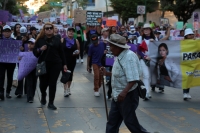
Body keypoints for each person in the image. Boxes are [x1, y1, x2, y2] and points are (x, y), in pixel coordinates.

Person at [101, 34, 149, 133]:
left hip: (127, 96)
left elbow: (133, 78)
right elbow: (121, 74)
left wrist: (124, 92)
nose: (110, 48)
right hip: (117, 95)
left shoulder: (129, 57)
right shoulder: (119, 56)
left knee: (130, 122)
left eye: (111, 46)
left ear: (118, 47)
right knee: (112, 123)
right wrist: (107, 73)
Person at [33, 23, 67, 110]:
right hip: (43, 65)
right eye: (47, 28)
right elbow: (35, 53)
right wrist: (40, 49)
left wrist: (64, 64)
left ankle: (51, 102)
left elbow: (61, 52)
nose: (49, 30)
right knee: (43, 84)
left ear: (53, 29)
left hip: (55, 64)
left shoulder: (57, 39)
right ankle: (43, 94)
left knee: (53, 83)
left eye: (50, 28)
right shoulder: (40, 40)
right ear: (44, 30)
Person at [62, 27, 80, 97]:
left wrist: (77, 52)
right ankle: (65, 89)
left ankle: (69, 88)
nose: (71, 32)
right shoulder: (63, 40)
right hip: (64, 60)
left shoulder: (76, 41)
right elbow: (60, 50)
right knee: (65, 74)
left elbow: (79, 50)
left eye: (72, 31)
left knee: (70, 74)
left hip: (72, 60)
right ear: (67, 32)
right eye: (69, 31)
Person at [0, 25, 16, 100]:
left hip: (11, 62)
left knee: (10, 77)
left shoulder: (14, 41)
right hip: (1, 62)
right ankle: (1, 93)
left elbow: (16, 51)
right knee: (1, 77)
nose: (6, 33)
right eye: (5, 32)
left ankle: (8, 92)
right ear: (2, 32)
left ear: (10, 32)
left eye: (8, 32)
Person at [15, 26, 29, 98]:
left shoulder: (29, 39)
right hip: (20, 59)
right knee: (20, 75)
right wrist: (21, 42)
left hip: (28, 59)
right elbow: (15, 48)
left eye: (24, 33)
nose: (23, 35)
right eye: (22, 34)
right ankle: (19, 91)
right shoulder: (18, 38)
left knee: (27, 76)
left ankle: (27, 91)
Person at [23, 38, 37, 103]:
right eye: (29, 43)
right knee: (29, 82)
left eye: (32, 44)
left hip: (35, 69)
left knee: (34, 82)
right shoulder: (25, 51)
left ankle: (32, 95)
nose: (30, 45)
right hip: (28, 69)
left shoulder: (37, 52)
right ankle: (29, 97)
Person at [182, 28, 195, 100]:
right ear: (186, 36)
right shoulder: (182, 43)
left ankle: (187, 92)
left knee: (189, 77)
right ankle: (184, 93)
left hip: (192, 63)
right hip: (184, 63)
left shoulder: (195, 42)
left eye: (192, 34)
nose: (191, 36)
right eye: (189, 35)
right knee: (186, 78)